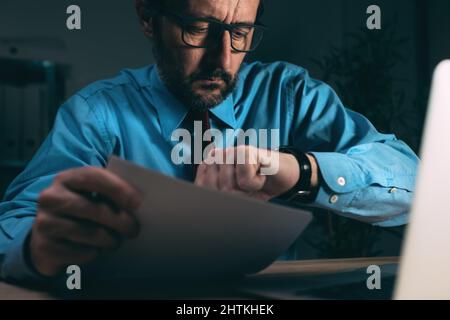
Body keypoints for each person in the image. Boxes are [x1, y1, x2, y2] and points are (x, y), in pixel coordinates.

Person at [0, 0, 418, 283]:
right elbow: (13, 224)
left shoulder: (290, 95)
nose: (223, 58)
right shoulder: (95, 114)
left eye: (241, 33)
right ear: (148, 18)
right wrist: (39, 247)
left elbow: (417, 184)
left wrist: (297, 172)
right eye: (199, 28)